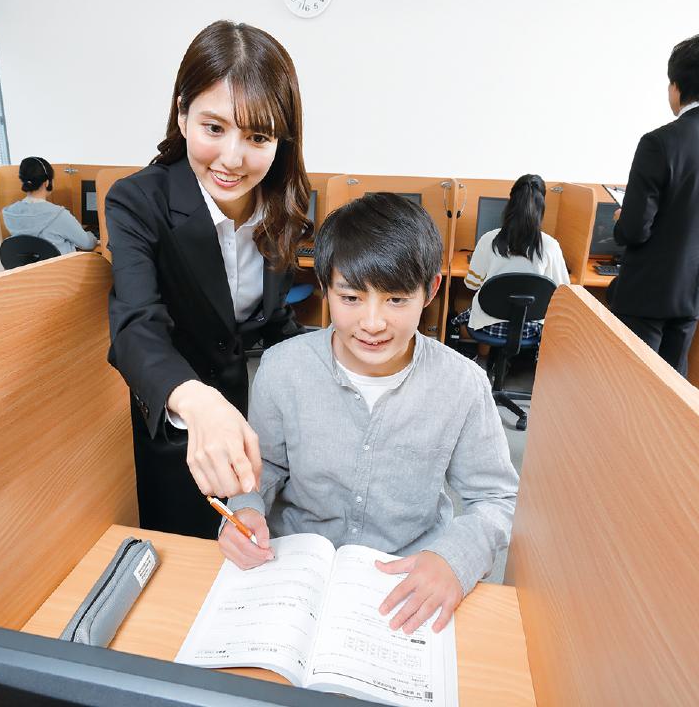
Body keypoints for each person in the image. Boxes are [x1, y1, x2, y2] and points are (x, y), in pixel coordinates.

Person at [220, 193, 519, 635]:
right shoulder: (283, 367)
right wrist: (244, 510)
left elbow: (494, 499)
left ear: (431, 290)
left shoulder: (463, 384)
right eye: (352, 297)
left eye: (396, 300)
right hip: (294, 567)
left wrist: (454, 560)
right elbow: (264, 467)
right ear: (326, 288)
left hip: (406, 579)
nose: (373, 322)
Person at [105, 20, 311, 538]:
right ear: (181, 113)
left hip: (257, 418)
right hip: (179, 423)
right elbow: (136, 326)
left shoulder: (284, 201)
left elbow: (274, 319)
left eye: (258, 136)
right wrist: (197, 401)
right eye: (214, 128)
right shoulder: (138, 201)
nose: (233, 159)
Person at [609, 34, 699, 376]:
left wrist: (621, 218)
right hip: (692, 296)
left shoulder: (659, 143)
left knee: (635, 386)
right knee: (673, 390)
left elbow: (634, 229)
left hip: (648, 295)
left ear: (675, 86)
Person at [452, 174, 570, 351]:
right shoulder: (550, 246)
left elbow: (471, 284)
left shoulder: (488, 239)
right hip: (529, 329)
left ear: (510, 203)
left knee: (463, 317)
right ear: (542, 207)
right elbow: (562, 291)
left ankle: (483, 359)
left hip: (488, 326)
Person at [2, 156, 98, 254]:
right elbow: (87, 244)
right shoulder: (58, 215)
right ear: (47, 182)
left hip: (28, 269)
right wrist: (91, 235)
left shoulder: (10, 213)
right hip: (61, 267)